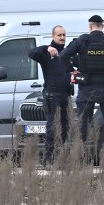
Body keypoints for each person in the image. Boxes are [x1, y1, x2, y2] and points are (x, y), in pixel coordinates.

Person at [60, 15, 104, 163]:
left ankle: (80, 159)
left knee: (82, 124)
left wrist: (72, 71)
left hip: (86, 87)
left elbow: (63, 56)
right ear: (102, 27)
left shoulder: (82, 41)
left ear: (90, 27)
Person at [28, 25, 72, 165]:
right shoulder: (47, 52)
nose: (62, 38)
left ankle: (63, 158)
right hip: (52, 94)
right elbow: (31, 53)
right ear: (53, 36)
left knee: (66, 127)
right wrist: (46, 48)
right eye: (59, 35)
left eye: (64, 35)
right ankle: (48, 159)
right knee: (52, 127)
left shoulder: (67, 53)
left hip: (66, 94)